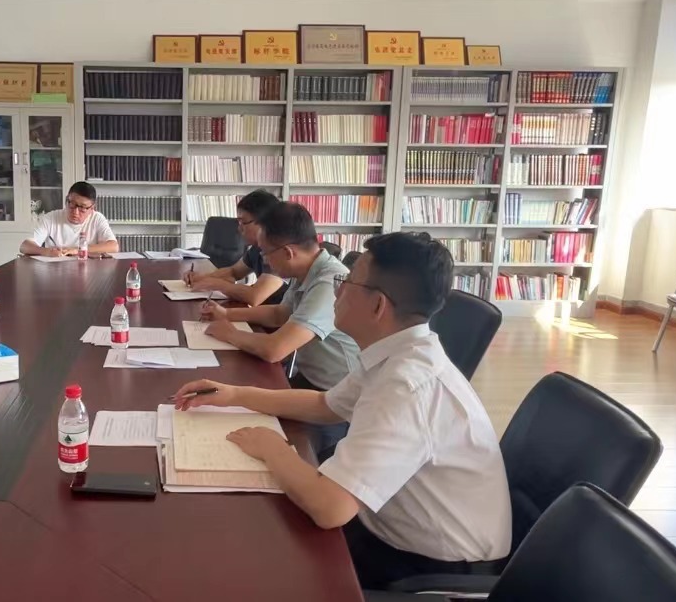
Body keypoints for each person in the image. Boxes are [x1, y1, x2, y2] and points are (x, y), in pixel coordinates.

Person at [171, 232, 512, 589]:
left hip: (429, 568)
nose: (336, 291)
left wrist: (271, 447)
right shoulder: (396, 352)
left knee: (256, 566)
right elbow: (325, 405)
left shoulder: (407, 386)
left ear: (377, 305)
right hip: (388, 524)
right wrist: (235, 394)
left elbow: (330, 508)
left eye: (346, 282)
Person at [201, 202, 360, 391]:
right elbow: (279, 314)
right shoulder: (307, 270)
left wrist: (230, 334)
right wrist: (227, 314)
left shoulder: (328, 283)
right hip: (310, 378)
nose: (265, 260)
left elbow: (275, 349)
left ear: (287, 253)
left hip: (338, 393)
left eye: (266, 253)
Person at [181, 190, 288, 306]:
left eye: (243, 222)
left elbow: (255, 296)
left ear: (264, 223)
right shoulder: (256, 248)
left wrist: (218, 284)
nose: (239, 229)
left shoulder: (279, 252)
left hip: (279, 316)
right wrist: (201, 278)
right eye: (238, 222)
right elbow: (234, 272)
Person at [19, 181, 118, 257]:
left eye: (83, 208)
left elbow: (113, 246)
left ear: (92, 208)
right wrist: (46, 251)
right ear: (67, 200)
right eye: (72, 204)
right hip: (56, 271)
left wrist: (78, 250)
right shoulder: (51, 218)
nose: (75, 212)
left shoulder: (97, 218)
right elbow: (24, 246)